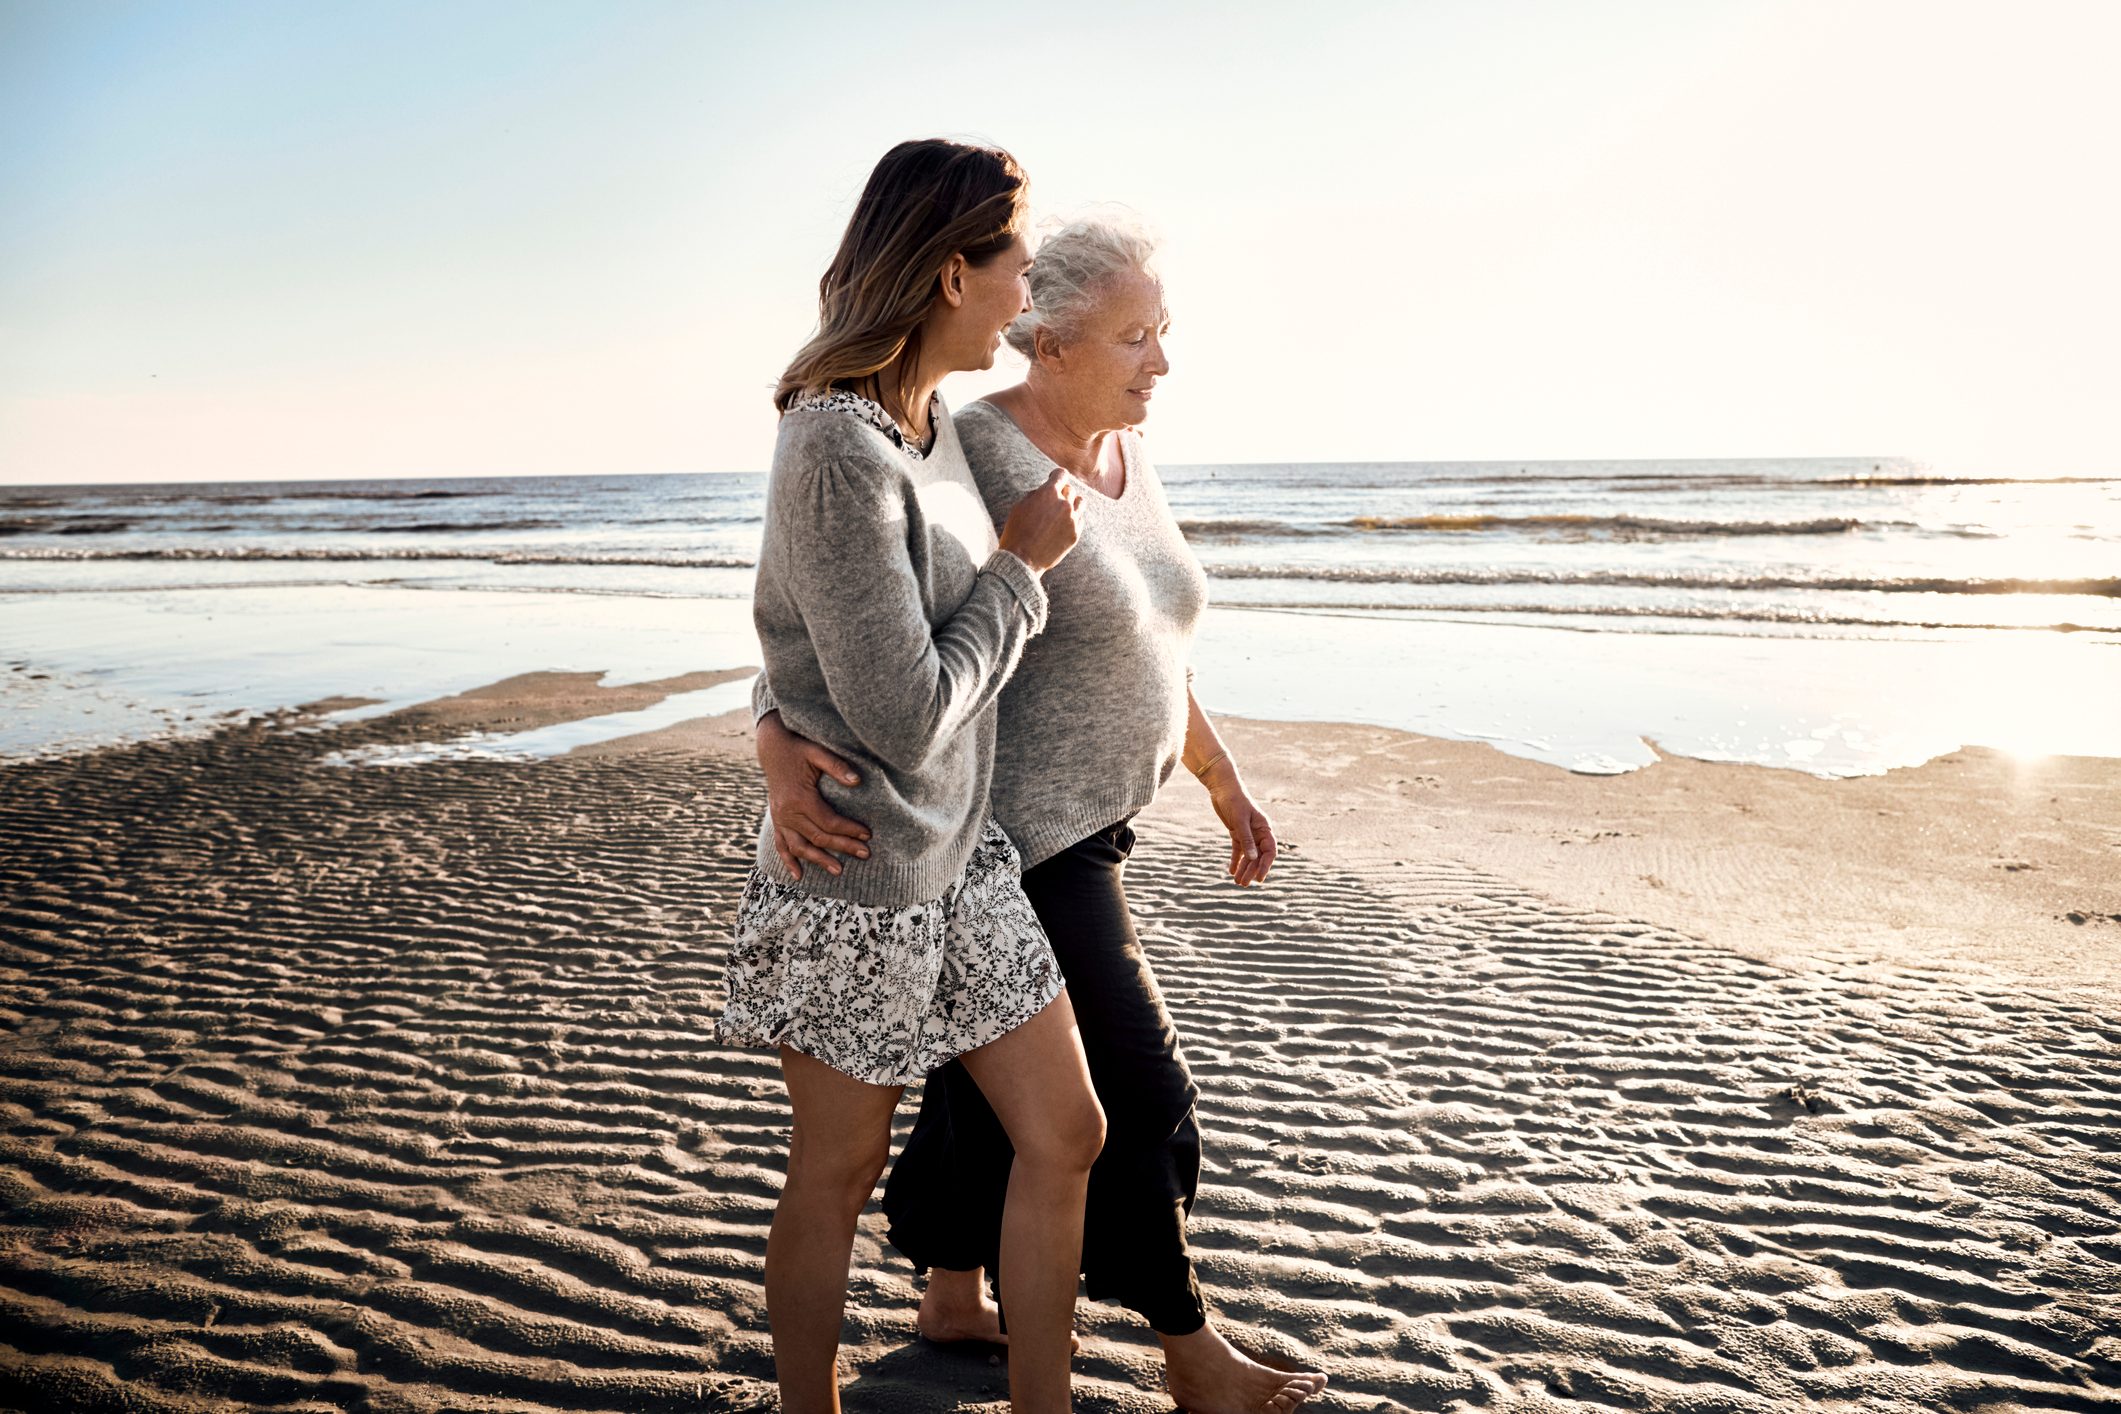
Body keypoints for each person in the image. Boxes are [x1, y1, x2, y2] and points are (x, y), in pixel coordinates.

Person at [755, 213, 1328, 1414]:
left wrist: (1219, 776)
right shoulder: (965, 446)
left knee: (995, 1097)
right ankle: (1192, 1352)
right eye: (1135, 337)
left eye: (1162, 332)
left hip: (1083, 827)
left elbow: (1155, 644)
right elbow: (846, 618)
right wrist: (768, 728)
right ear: (1048, 339)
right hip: (1015, 835)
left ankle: (951, 1290)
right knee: (1133, 1094)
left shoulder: (1124, 449)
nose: (1159, 361)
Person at [717, 139, 1105, 1414]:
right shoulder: (834, 442)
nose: (1030, 290)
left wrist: (769, 715)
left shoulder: (920, 426)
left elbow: (790, 620)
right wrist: (1023, 570)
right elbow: (902, 710)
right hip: (860, 870)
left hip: (962, 855)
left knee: (1069, 1132)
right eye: (1017, 263)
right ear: (951, 273)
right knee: (839, 1171)